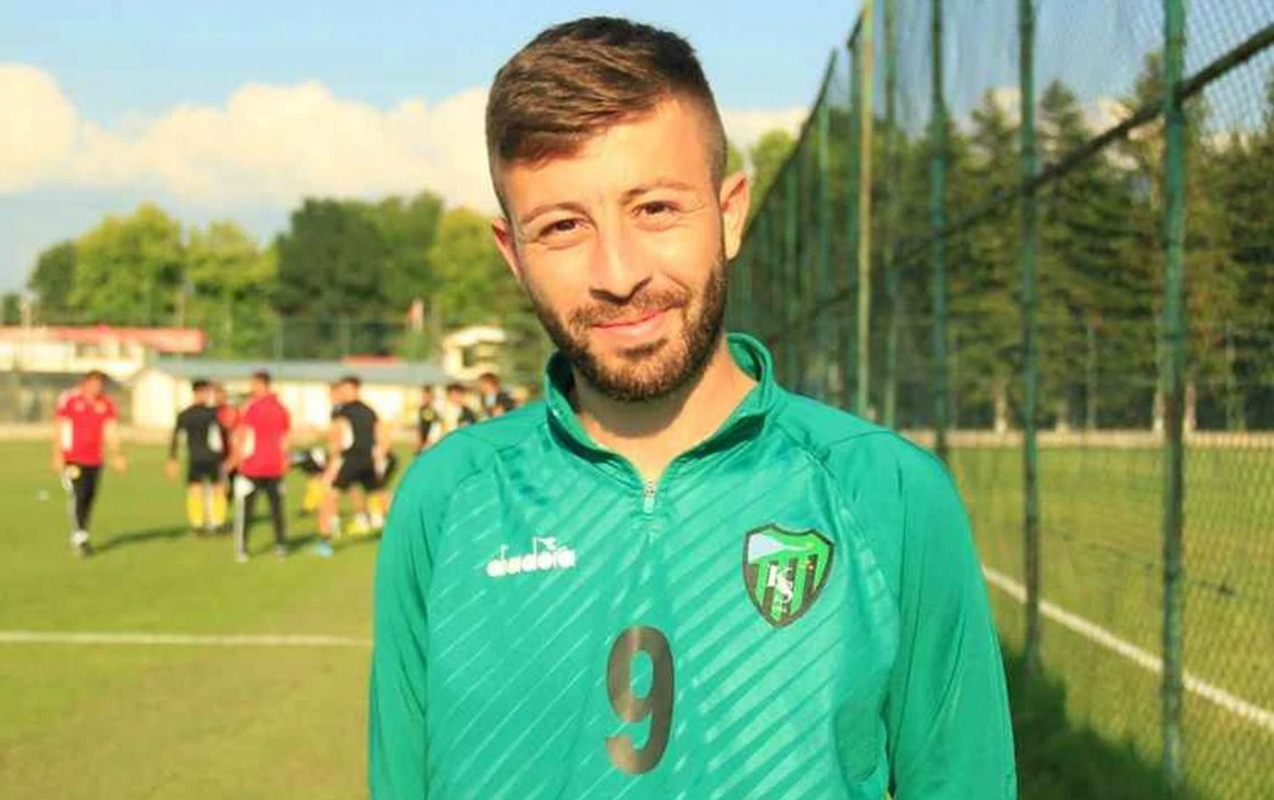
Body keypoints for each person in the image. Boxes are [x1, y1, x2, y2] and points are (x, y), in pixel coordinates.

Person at [369, 17, 1016, 800]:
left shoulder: (889, 492)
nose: (618, 274)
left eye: (655, 210)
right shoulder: (446, 501)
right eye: (563, 227)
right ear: (514, 255)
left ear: (730, 212)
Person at [52, 370, 126, 557]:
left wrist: (116, 455)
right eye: (93, 383)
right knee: (78, 493)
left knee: (89, 496)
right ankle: (79, 537)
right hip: (72, 458)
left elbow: (110, 430)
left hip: (95, 459)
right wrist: (57, 454)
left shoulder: (106, 404)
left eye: (100, 384)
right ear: (85, 383)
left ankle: (81, 533)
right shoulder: (70, 400)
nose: (97, 387)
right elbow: (60, 427)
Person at [317, 376, 390, 555]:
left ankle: (325, 541)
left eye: (345, 389)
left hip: (351, 459)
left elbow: (336, 436)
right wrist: (380, 456)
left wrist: (332, 463)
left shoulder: (342, 410)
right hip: (368, 459)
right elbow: (382, 437)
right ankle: (398, 532)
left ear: (353, 389)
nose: (342, 392)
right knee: (380, 495)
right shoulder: (369, 410)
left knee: (329, 496)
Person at [227, 370, 290, 562]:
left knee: (246, 511)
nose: (251, 388)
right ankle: (280, 545)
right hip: (275, 467)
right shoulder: (281, 408)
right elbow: (286, 438)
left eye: (253, 384)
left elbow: (242, 434)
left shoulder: (250, 407)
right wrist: (284, 460)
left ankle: (242, 549)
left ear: (262, 384)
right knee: (276, 509)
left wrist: (235, 459)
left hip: (252, 467)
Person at [166, 379, 228, 535]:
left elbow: (224, 435)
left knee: (218, 490)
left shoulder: (213, 413)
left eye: (206, 392)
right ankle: (198, 524)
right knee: (196, 490)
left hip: (214, 457)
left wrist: (227, 455)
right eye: (202, 392)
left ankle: (217, 523)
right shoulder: (190, 414)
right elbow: (176, 436)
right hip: (197, 457)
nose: (204, 395)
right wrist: (172, 458)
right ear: (195, 393)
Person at [213, 382, 240, 514]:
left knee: (233, 484)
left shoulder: (231, 411)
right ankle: (218, 514)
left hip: (230, 453)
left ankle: (227, 506)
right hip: (215, 454)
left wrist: (235, 455)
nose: (219, 398)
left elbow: (237, 432)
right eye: (216, 395)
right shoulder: (210, 412)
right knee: (218, 485)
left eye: (221, 395)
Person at [415, 385, 440, 453]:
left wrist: (429, 438)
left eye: (426, 396)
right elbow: (420, 425)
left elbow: (436, 425)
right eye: (423, 396)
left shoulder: (436, 410)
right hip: (425, 441)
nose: (424, 398)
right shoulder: (422, 409)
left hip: (431, 440)